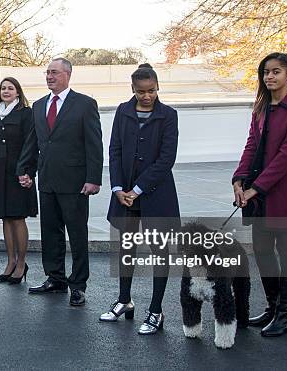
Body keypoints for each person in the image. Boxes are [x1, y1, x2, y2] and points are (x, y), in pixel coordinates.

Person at [232, 52, 287, 337]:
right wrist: (239, 179)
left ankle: (285, 315)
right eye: (266, 72)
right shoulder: (260, 107)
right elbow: (250, 146)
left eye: (276, 71)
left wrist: (256, 188)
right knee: (262, 249)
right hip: (261, 191)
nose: (269, 77)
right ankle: (272, 307)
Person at [103, 64, 180, 334]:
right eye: (141, 92)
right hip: (124, 195)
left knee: (160, 253)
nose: (147, 96)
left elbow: (166, 159)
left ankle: (156, 311)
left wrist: (137, 189)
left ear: (157, 87)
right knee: (126, 249)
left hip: (156, 196)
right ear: (132, 89)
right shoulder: (123, 112)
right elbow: (114, 150)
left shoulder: (169, 115)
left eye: (151, 91)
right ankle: (124, 300)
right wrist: (118, 188)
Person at [27, 58, 103, 306]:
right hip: (47, 180)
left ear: (68, 75)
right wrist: (25, 169)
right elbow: (34, 142)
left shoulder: (84, 104)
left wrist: (93, 179)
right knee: (50, 233)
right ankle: (55, 278)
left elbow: (94, 144)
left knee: (77, 234)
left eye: (55, 73)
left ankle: (78, 285)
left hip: (75, 183)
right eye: (47, 73)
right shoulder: (38, 106)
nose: (49, 77)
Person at [0, 77, 38, 284]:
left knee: (17, 217)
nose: (6, 91)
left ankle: (22, 263)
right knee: (5, 217)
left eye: (10, 88)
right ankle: (10, 262)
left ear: (18, 92)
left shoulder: (25, 113)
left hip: (18, 172)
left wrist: (28, 172)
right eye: (3, 88)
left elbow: (31, 144)